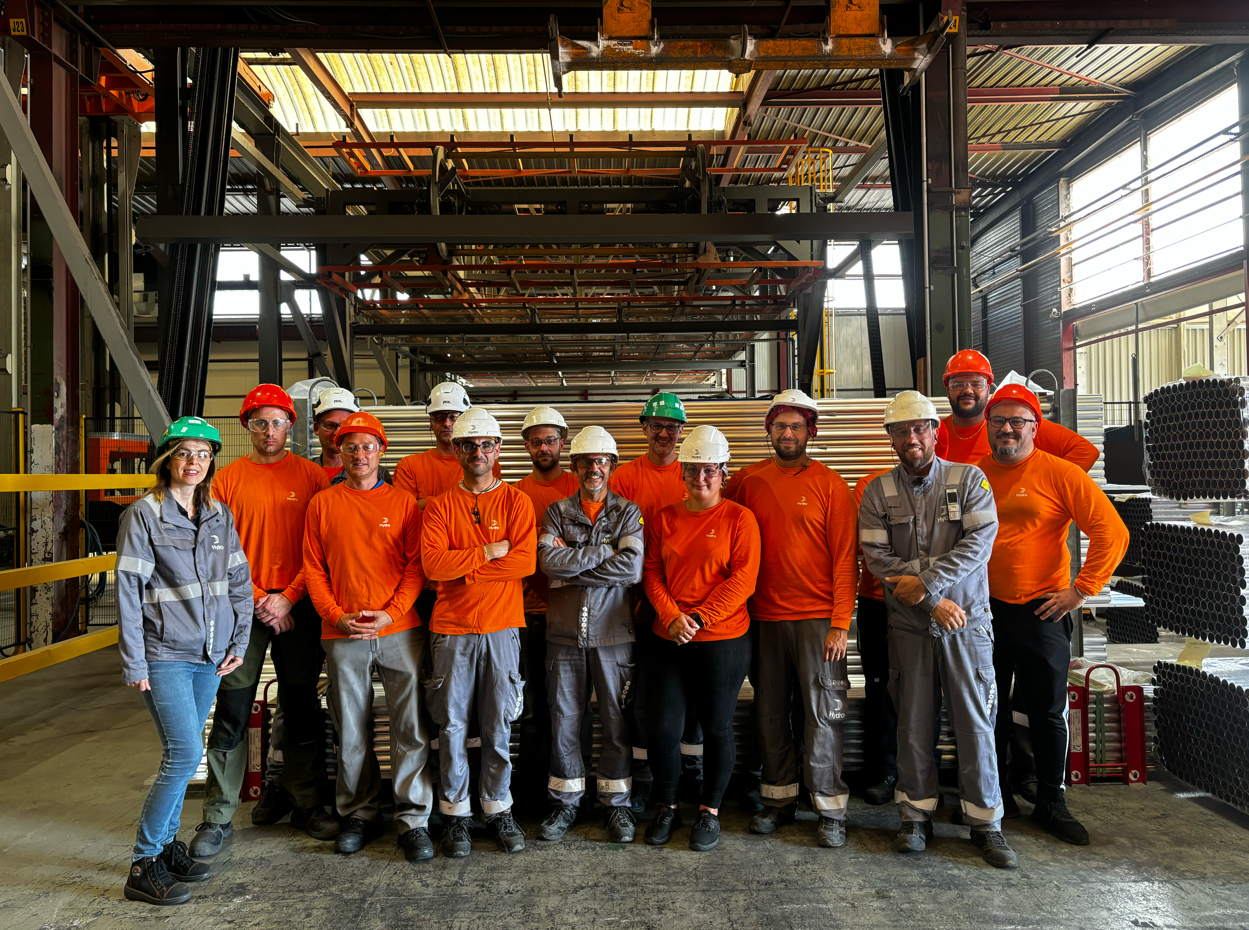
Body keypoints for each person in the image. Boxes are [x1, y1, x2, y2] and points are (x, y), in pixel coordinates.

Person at [859, 391, 1017, 868]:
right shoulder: (876, 493)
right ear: (890, 437)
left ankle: (985, 823)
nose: (912, 438)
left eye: (920, 428)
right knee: (912, 722)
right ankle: (915, 816)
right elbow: (878, 561)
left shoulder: (970, 480)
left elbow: (979, 545)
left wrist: (927, 584)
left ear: (935, 432)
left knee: (974, 722)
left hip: (966, 624)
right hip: (910, 628)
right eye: (902, 430)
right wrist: (932, 603)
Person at [188, 386, 335, 860]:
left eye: (277, 422)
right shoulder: (225, 480)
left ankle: (306, 800)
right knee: (232, 707)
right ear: (245, 426)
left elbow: (319, 549)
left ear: (291, 426)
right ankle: (218, 813)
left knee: (301, 706)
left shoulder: (313, 478)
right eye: (259, 423)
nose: (268, 431)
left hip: (299, 607)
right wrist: (258, 600)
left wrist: (288, 598)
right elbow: (216, 552)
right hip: (240, 612)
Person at [978, 384, 1129, 845]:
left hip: (1041, 612)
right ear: (986, 427)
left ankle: (1050, 798)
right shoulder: (970, 475)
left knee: (1046, 711)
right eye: (999, 420)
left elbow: (1112, 532)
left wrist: (1080, 591)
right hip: (983, 614)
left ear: (1034, 428)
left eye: (1017, 421)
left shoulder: (1060, 474)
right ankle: (998, 793)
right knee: (990, 710)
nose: (1007, 428)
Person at [115, 417, 252, 905]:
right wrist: (134, 661)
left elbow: (239, 581)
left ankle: (169, 848)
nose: (194, 462)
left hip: (211, 654)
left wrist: (240, 638)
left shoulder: (218, 513)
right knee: (183, 756)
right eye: (184, 453)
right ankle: (144, 862)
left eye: (203, 454)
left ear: (211, 461)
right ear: (167, 459)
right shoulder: (144, 516)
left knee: (186, 748)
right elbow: (129, 594)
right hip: (165, 653)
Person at [303, 410, 434, 861]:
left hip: (399, 631)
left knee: (410, 726)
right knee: (351, 728)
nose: (360, 454)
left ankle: (413, 817)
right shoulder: (322, 503)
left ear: (382, 451)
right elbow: (314, 570)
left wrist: (391, 613)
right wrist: (338, 618)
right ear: (338, 453)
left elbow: (416, 567)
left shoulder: (401, 504)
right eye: (351, 447)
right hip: (341, 635)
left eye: (368, 446)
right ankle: (359, 813)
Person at [733, 390, 859, 847]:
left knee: (823, 714)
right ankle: (778, 799)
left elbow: (847, 560)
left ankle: (828, 807)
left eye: (797, 427)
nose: (788, 434)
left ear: (811, 432)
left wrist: (841, 622)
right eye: (780, 426)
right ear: (768, 431)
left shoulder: (831, 485)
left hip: (818, 622)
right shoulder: (746, 482)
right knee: (769, 713)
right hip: (762, 619)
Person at [421, 408, 537, 857]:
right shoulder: (440, 506)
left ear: (498, 449)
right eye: (469, 445)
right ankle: (455, 814)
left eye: (486, 444)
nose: (478, 452)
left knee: (498, 724)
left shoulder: (516, 502)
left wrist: (463, 567)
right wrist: (490, 552)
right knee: (451, 725)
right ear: (457, 449)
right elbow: (432, 565)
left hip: (503, 628)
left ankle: (498, 808)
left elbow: (525, 563)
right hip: (451, 629)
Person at [641, 426, 760, 852]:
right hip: (668, 637)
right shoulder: (665, 518)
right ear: (683, 473)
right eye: (692, 470)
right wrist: (672, 617)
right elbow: (652, 572)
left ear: (723, 472)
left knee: (716, 727)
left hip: (723, 639)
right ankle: (668, 806)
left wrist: (699, 618)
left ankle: (709, 811)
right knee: (663, 728)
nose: (701, 479)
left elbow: (743, 579)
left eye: (709, 470)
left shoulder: (739, 519)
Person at [535, 426, 645, 843]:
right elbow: (549, 565)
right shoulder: (555, 512)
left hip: (614, 636)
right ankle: (565, 803)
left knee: (616, 722)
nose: (593, 468)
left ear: (612, 466)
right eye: (585, 461)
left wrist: (575, 563)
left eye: (601, 461)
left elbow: (631, 570)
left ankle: (616, 807)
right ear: (575, 466)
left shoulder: (628, 513)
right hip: (563, 637)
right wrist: (606, 552)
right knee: (564, 722)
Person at [609, 392, 699, 808]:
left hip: (690, 608)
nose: (665, 433)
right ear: (644, 428)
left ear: (682, 432)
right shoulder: (624, 477)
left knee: (693, 697)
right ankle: (645, 776)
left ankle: (691, 775)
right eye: (657, 426)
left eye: (672, 427)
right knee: (642, 696)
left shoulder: (696, 472)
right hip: (636, 606)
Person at [513, 405, 579, 806]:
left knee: (569, 707)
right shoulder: (516, 492)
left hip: (572, 612)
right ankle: (534, 792)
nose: (544, 447)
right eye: (536, 441)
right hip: (528, 613)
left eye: (550, 439)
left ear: (563, 442)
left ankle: (572, 788)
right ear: (526, 446)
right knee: (533, 708)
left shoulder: (579, 486)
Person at [935, 350, 1099, 471]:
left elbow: (1085, 451)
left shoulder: (1014, 425)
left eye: (977, 384)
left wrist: (1048, 488)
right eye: (958, 384)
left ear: (988, 389)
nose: (968, 391)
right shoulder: (935, 433)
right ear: (948, 390)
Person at [853, 467, 897, 806]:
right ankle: (882, 771)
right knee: (879, 688)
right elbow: (864, 542)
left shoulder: (948, 482)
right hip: (876, 601)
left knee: (926, 689)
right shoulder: (870, 484)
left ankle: (919, 773)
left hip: (928, 601)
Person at [310, 386, 359, 479]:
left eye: (345, 425)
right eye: (329, 425)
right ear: (316, 428)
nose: (337, 432)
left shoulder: (374, 474)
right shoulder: (302, 472)